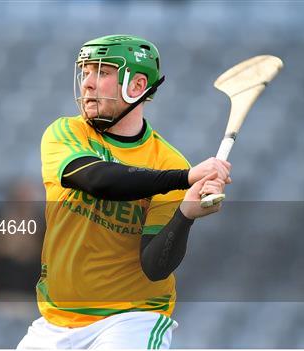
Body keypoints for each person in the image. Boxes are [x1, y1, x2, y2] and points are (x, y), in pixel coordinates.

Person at [17, 34, 231, 349]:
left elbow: (155, 267)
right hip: (56, 321)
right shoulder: (65, 132)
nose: (87, 83)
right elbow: (97, 180)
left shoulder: (167, 162)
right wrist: (183, 178)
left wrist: (186, 214)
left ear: (136, 86)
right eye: (85, 72)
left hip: (133, 319)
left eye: (101, 72)